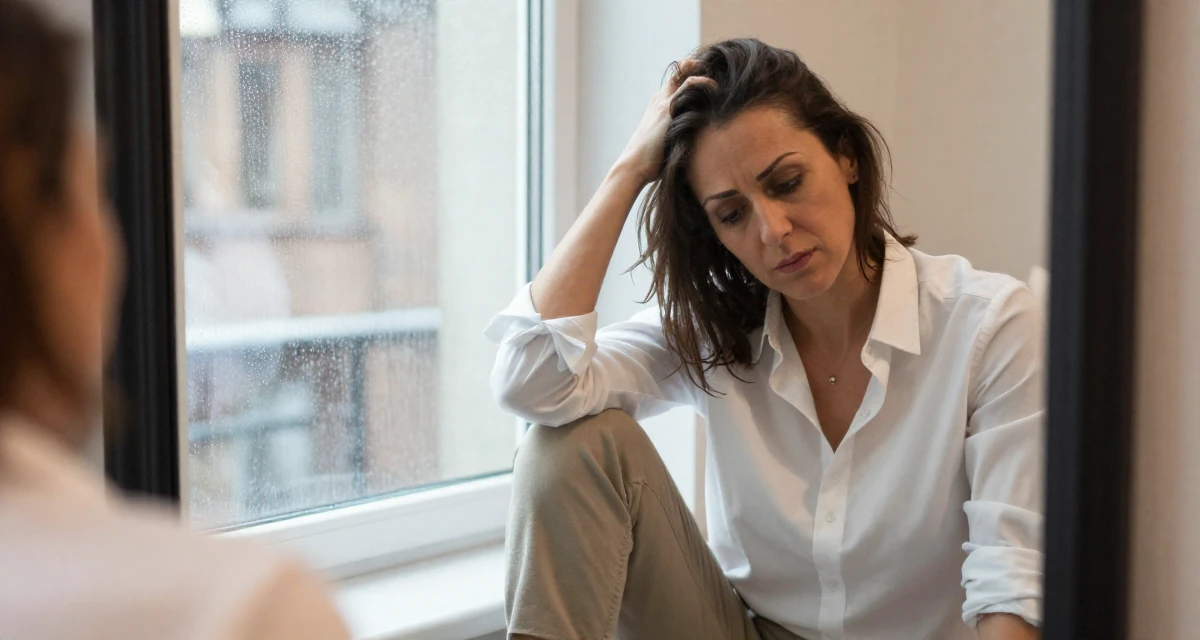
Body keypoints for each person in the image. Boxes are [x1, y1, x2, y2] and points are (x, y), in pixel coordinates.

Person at [488, 38, 1043, 640]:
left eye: (787, 182)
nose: (773, 231)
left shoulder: (991, 326)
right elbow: (534, 382)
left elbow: (1010, 584)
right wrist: (630, 171)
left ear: (846, 158)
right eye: (732, 214)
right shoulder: (716, 329)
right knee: (569, 447)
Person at [0, 1, 350, 637]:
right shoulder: (237, 609)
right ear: (42, 243)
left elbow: (265, 328)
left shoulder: (224, 231)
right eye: (91, 193)